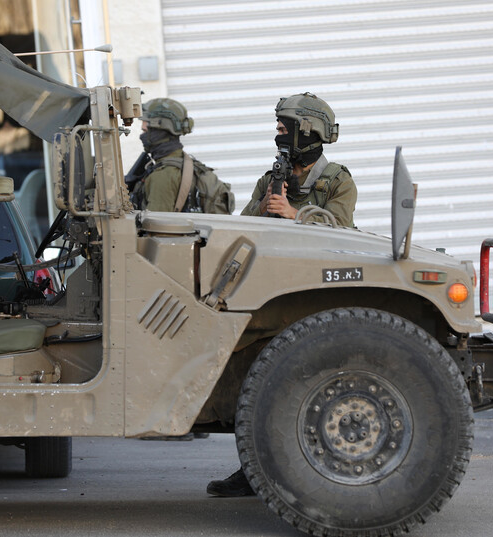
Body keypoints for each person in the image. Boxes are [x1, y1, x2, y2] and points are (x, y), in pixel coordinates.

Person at [207, 93, 357, 498]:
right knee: (253, 382)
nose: (278, 131)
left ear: (308, 130)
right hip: (271, 296)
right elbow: (241, 232)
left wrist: (295, 214)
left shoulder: (335, 180)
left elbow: (344, 234)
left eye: (284, 125)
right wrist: (267, 208)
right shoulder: (271, 177)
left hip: (318, 299)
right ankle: (254, 470)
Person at [241, 92, 356, 227]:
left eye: (284, 131)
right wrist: (264, 204)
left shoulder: (338, 182)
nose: (278, 137)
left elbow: (341, 230)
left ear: (305, 133)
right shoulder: (269, 181)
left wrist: (292, 213)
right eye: (278, 131)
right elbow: (242, 227)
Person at [129, 98, 233, 214]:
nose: (142, 136)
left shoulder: (163, 175)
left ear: (159, 130)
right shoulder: (188, 164)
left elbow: (155, 227)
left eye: (145, 131)